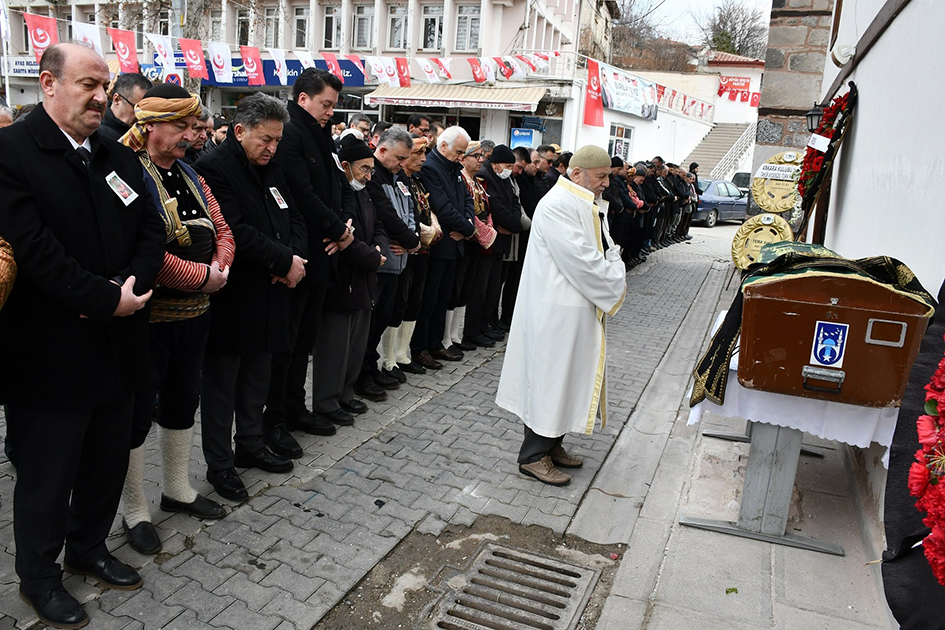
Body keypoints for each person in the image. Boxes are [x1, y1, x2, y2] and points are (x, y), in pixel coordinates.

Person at [0, 43, 165, 628]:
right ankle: (39, 578)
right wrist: (104, 299)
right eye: (89, 84)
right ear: (48, 84)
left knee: (105, 460)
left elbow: (152, 227)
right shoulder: (12, 153)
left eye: (107, 85)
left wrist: (132, 286)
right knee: (48, 473)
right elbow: (32, 249)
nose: (102, 97)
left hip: (117, 344)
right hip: (49, 351)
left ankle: (89, 548)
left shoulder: (115, 157)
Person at [116, 84, 235, 555]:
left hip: (196, 314)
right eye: (181, 126)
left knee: (184, 403)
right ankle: (135, 509)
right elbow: (142, 248)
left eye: (194, 126)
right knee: (136, 414)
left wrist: (220, 269)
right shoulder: (126, 172)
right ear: (148, 127)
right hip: (149, 319)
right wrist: (201, 276)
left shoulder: (190, 172)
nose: (192, 134)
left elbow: (221, 226)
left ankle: (177, 489)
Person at [195, 93, 308, 502]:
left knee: (258, 375)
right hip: (235, 294)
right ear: (239, 131)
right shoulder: (213, 168)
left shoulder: (272, 167)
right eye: (265, 139)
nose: (272, 148)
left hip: (274, 291)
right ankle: (220, 464)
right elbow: (235, 230)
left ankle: (250, 442)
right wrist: (284, 262)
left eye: (277, 140)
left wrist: (295, 258)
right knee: (222, 385)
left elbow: (294, 215)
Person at [496, 145, 626, 487]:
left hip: (575, 309)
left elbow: (604, 247)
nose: (605, 184)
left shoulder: (584, 202)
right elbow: (582, 261)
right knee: (549, 380)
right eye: (601, 177)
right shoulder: (556, 206)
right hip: (554, 312)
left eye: (608, 177)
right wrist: (615, 273)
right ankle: (532, 457)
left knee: (565, 379)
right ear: (577, 173)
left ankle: (553, 445)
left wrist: (612, 263)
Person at [264, 68, 354, 458]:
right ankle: (275, 418)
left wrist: (345, 227)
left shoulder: (321, 134)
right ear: (303, 99)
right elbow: (301, 194)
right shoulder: (291, 133)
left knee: (305, 342)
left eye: (334, 106)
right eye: (326, 104)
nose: (331, 113)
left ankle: (295, 408)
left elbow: (342, 186)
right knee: (287, 343)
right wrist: (338, 229)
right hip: (304, 252)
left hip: (327, 251)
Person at [311, 135, 387, 427]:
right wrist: (372, 257)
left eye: (371, 170)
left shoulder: (365, 192)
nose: (368, 175)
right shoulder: (338, 193)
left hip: (365, 279)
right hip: (344, 281)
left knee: (355, 346)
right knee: (334, 348)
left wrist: (378, 248)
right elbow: (343, 239)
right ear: (345, 166)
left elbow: (378, 224)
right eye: (364, 169)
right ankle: (326, 401)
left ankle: (345, 393)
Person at [359, 126, 420, 396]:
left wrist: (413, 239)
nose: (402, 164)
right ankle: (363, 374)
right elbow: (385, 215)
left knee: (386, 317)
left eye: (406, 159)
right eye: (399, 158)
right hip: (382, 262)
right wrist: (410, 240)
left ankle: (373, 368)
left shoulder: (400, 177)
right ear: (382, 150)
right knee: (371, 324)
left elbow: (411, 211)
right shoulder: (371, 176)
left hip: (401, 261)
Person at [412, 126, 475, 369]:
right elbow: (441, 206)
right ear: (444, 145)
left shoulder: (455, 169)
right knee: (429, 300)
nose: (462, 157)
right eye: (459, 151)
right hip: (440, 244)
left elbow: (467, 199)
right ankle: (420, 347)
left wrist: (468, 225)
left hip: (455, 243)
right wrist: (469, 229)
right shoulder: (431, 168)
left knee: (443, 298)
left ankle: (435, 343)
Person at [383, 136, 440, 378]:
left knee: (414, 301)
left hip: (420, 248)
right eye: (418, 154)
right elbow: (398, 214)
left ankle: (403, 353)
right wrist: (415, 236)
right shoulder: (396, 179)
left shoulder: (414, 180)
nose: (423, 159)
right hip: (405, 248)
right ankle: (388, 358)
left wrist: (433, 225)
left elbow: (424, 209)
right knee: (399, 303)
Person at [471, 144, 521, 343]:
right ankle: (475, 328)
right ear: (496, 164)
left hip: (503, 242)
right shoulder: (486, 178)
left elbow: (515, 203)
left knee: (493, 289)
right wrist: (510, 223)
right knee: (481, 289)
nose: (508, 169)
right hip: (488, 243)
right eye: (507, 165)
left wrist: (514, 225)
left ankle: (487, 324)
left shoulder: (506, 179)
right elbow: (496, 208)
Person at [98, 72, 152, 142]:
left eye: (146, 110)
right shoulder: (96, 133)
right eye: (136, 108)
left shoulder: (145, 133)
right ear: (117, 100)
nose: (141, 115)